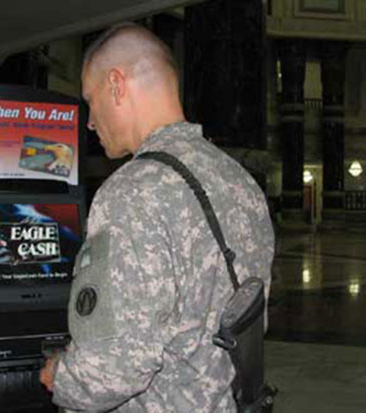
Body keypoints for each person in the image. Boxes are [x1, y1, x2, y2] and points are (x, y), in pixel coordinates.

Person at [40, 22, 274, 412]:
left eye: (90, 100)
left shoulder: (130, 193)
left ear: (116, 84)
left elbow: (114, 369)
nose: (90, 122)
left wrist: (61, 376)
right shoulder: (240, 180)